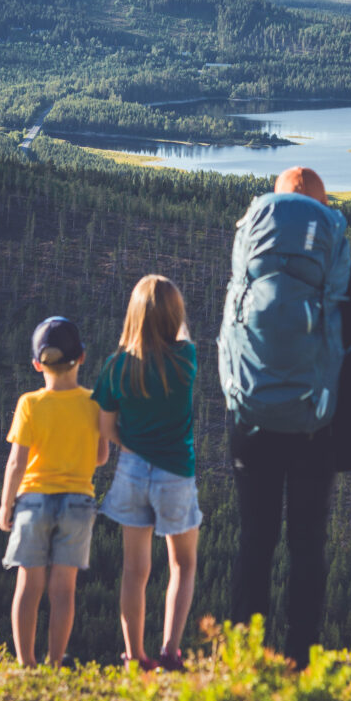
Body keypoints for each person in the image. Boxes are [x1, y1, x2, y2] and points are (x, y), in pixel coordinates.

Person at [226, 166, 351, 669]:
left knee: (255, 539)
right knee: (306, 542)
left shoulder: (252, 257)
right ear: (322, 207)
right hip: (316, 428)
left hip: (251, 423)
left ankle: (243, 656)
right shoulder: (338, 267)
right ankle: (300, 657)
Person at [92, 275, 202, 672]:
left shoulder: (115, 367)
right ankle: (170, 650)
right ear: (176, 318)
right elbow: (184, 334)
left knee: (135, 572)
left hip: (133, 472)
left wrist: (133, 446)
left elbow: (106, 430)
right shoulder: (185, 360)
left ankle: (134, 655)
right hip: (176, 474)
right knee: (183, 565)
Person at [0, 316, 108, 667]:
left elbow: (16, 464)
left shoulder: (30, 403)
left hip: (33, 501)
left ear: (36, 364)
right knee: (64, 590)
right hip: (77, 502)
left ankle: (25, 663)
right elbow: (101, 457)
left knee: (29, 586)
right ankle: (54, 662)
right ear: (82, 358)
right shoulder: (94, 402)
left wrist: (5, 506)